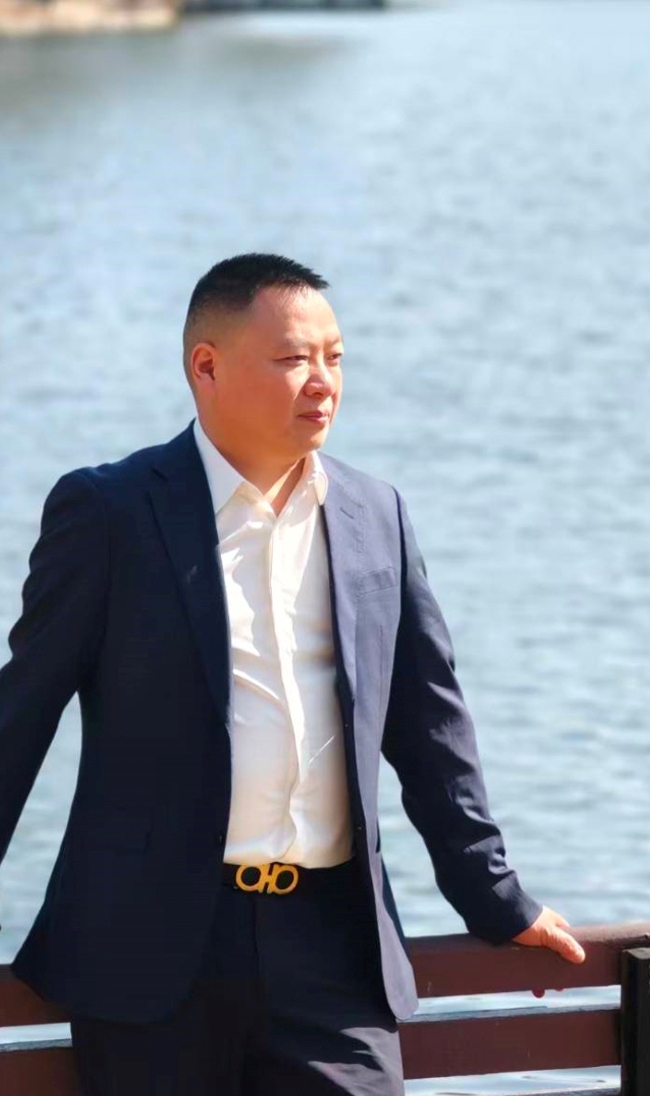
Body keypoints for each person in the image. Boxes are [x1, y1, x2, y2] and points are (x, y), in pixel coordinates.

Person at [0, 253, 584, 1095]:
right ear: (206, 366)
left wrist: (497, 898)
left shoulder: (376, 514)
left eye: (334, 358)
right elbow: (20, 716)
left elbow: (430, 730)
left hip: (334, 949)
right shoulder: (111, 512)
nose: (323, 382)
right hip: (150, 952)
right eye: (293, 359)